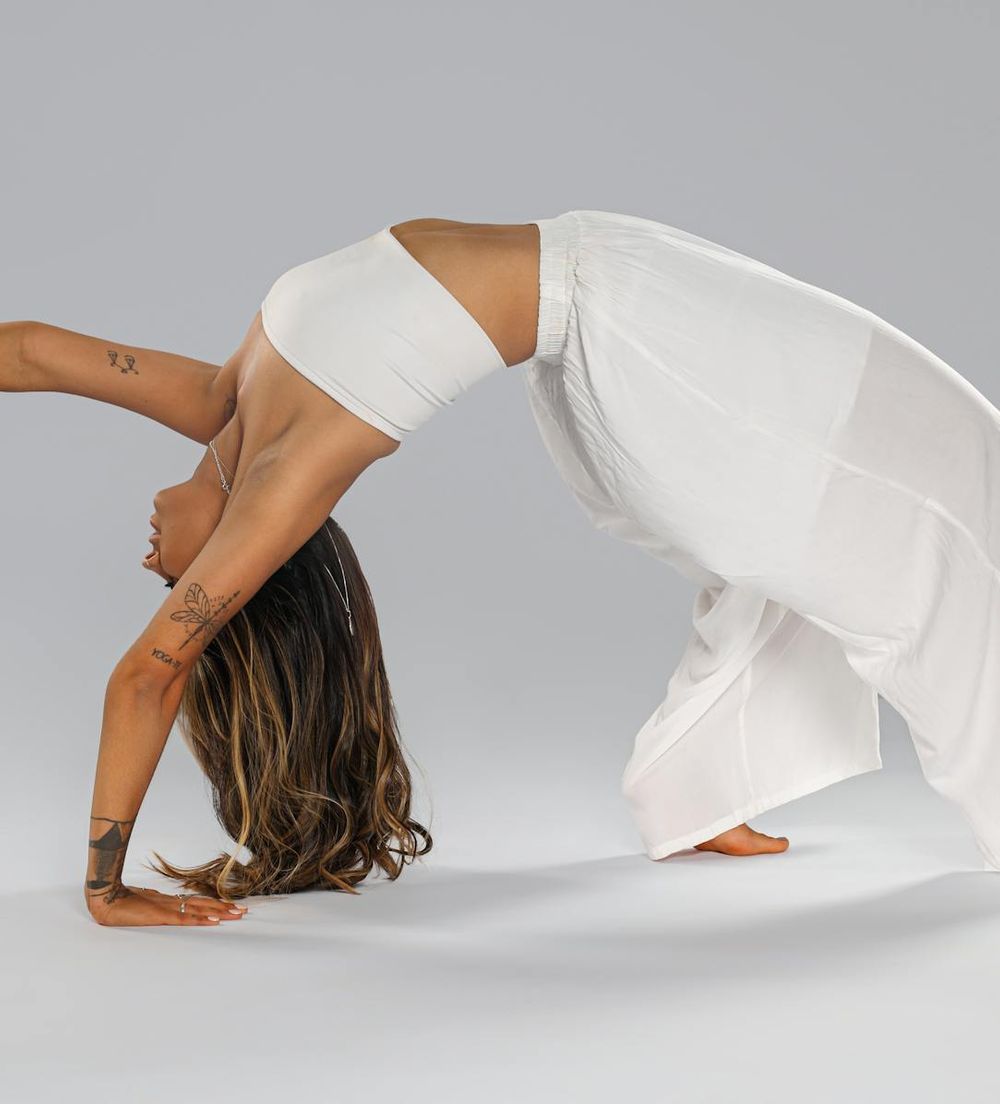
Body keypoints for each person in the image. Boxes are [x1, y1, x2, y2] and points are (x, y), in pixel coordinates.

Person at [4, 209, 998, 928]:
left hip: (608, 283)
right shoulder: (277, 480)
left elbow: (38, 355)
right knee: (936, 480)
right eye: (176, 586)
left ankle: (703, 788)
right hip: (624, 334)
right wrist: (104, 886)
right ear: (246, 571)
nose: (154, 564)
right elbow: (150, 674)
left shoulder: (227, 403)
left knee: (817, 520)